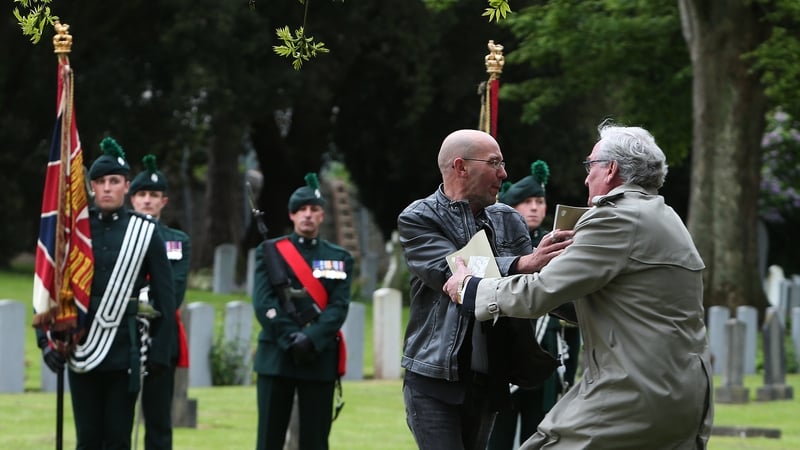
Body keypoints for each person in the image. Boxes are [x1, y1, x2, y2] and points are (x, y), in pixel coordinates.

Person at [445, 123, 714, 449]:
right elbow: (618, 304)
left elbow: (537, 294)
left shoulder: (614, 218)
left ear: (611, 169)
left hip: (633, 395)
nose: (586, 177)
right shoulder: (666, 217)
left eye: (591, 166)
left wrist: (469, 288)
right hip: (685, 395)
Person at [398, 129, 572, 450]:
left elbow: (537, 286)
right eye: (494, 163)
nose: (504, 174)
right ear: (460, 167)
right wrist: (522, 263)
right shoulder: (418, 217)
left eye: (502, 163)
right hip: (433, 380)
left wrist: (588, 305)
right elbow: (454, 276)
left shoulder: (509, 219)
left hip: (488, 380)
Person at [38, 137, 176, 449]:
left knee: (117, 438)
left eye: (115, 181)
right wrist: (45, 342)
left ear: (127, 186)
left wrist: (158, 355)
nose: (107, 188)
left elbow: (164, 296)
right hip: (81, 345)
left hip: (124, 348)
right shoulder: (75, 230)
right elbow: (50, 287)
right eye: (100, 182)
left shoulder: (145, 231)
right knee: (87, 439)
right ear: (92, 186)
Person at [252, 172, 354, 450]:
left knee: (315, 440)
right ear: (291, 215)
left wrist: (311, 338)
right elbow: (263, 302)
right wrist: (290, 337)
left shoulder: (340, 258)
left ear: (322, 215)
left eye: (314, 209)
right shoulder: (268, 252)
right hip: (277, 355)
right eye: (301, 210)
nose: (307, 215)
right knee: (268, 439)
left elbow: (338, 306)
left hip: (318, 355)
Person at [489, 160, 581, 450]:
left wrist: (571, 364)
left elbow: (571, 304)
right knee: (498, 437)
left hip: (547, 353)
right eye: (525, 201)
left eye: (539, 201)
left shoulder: (560, 246)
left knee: (540, 436)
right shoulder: (499, 245)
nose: (534, 208)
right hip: (508, 354)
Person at [130, 154, 191, 450]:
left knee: (158, 422)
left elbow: (174, 290)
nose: (147, 201)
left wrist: (141, 298)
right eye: (141, 194)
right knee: (117, 421)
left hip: (160, 336)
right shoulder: (118, 235)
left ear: (163, 202)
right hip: (123, 334)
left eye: (154, 195)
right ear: (132, 199)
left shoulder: (177, 241)